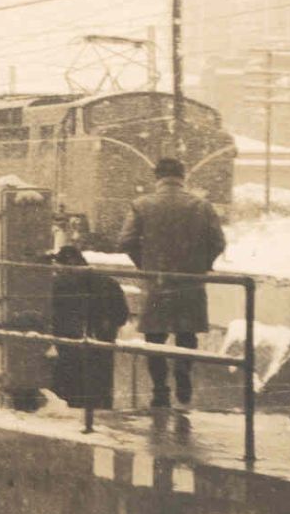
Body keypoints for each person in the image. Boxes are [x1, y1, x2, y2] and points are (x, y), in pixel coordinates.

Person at [116, 157, 226, 408]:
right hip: (190, 284)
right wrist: (201, 265)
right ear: (182, 177)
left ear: (157, 178)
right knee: (186, 335)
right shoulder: (202, 206)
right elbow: (218, 242)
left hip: (157, 283)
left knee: (155, 338)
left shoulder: (141, 205)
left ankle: (160, 390)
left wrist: (145, 264)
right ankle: (183, 375)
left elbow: (125, 242)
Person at [47, 244, 129, 410]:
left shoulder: (57, 286)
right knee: (98, 395)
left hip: (68, 353)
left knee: (71, 395)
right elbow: (122, 315)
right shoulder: (108, 283)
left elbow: (50, 318)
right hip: (100, 351)